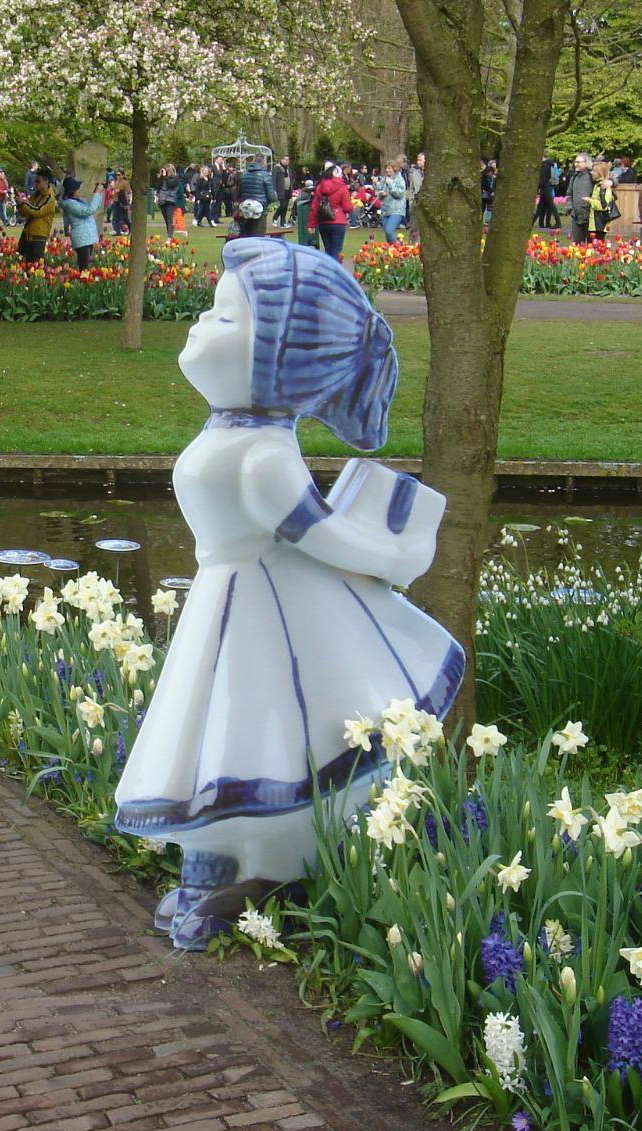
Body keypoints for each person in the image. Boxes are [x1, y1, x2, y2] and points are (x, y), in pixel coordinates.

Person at [112, 236, 458, 950]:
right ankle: (216, 867)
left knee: (258, 739)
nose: (200, 322)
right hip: (229, 602)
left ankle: (268, 872)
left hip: (266, 618)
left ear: (279, 360)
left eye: (223, 316)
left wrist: (399, 552)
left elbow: (324, 536)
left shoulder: (266, 456)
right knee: (216, 737)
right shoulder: (232, 434)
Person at [59, 176, 105, 270]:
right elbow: (89, 210)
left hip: (88, 238)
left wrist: (97, 193)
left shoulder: (78, 201)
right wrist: (97, 193)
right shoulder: (70, 204)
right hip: (82, 240)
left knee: (88, 267)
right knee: (84, 268)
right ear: (73, 191)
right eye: (77, 189)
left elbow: (94, 206)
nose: (79, 190)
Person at [308, 165, 352, 260]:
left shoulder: (320, 187)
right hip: (338, 221)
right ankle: (334, 268)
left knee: (328, 249)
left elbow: (314, 207)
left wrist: (311, 224)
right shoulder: (342, 187)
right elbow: (347, 207)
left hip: (323, 221)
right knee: (336, 250)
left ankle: (327, 268)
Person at [16, 168, 58, 262]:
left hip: (39, 236)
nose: (35, 184)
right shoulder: (36, 195)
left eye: (38, 181)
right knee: (23, 263)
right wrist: (20, 205)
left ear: (46, 181)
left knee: (36, 264)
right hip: (27, 234)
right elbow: (27, 212)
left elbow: (37, 211)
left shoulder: (50, 198)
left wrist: (23, 203)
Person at [237, 157, 277, 235]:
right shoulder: (265, 175)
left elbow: (239, 192)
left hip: (246, 208)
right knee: (258, 235)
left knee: (247, 235)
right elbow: (272, 196)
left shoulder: (244, 174)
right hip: (260, 208)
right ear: (263, 163)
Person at [566, 154, 594, 244]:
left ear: (586, 163)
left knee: (592, 246)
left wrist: (611, 182)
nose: (576, 164)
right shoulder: (574, 177)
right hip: (576, 217)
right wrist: (570, 209)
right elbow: (569, 194)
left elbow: (607, 178)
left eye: (579, 162)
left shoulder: (592, 175)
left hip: (590, 217)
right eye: (575, 162)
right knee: (577, 246)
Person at [378, 158, 407, 242]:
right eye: (386, 168)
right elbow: (378, 191)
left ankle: (397, 247)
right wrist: (381, 193)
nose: (387, 170)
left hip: (396, 210)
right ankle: (394, 248)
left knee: (389, 231)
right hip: (385, 210)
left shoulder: (399, 179)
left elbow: (399, 194)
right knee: (388, 234)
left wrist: (391, 184)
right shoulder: (384, 179)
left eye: (389, 168)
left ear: (394, 168)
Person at [587, 162, 616, 240]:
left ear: (600, 173)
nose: (591, 173)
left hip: (599, 224)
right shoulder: (596, 185)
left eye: (594, 171)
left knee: (598, 244)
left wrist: (589, 201)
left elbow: (603, 205)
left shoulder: (603, 186)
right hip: (593, 223)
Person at [156, 166, 181, 241]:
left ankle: (169, 237)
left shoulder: (175, 178)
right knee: (166, 219)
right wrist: (161, 177)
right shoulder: (163, 178)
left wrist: (165, 177)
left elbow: (171, 185)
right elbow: (159, 186)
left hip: (170, 200)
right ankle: (170, 235)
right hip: (162, 200)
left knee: (169, 219)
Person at [405, 152, 425, 240]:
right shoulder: (414, 174)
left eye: (420, 160)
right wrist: (411, 201)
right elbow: (411, 189)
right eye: (417, 160)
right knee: (414, 228)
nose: (418, 162)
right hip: (415, 204)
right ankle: (411, 245)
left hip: (428, 204)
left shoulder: (432, 174)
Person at [536, 156, 560, 228]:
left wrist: (538, 187)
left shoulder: (544, 165)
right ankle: (543, 223)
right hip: (550, 186)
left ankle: (558, 222)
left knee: (549, 206)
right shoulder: (551, 165)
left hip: (545, 187)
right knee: (545, 206)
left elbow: (543, 178)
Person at [108, 169, 131, 235]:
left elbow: (129, 191)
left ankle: (130, 228)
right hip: (116, 201)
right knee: (115, 217)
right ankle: (117, 231)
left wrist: (120, 191)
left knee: (124, 217)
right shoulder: (116, 182)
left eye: (119, 175)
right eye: (117, 175)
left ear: (123, 175)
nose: (117, 176)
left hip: (122, 201)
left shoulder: (125, 183)